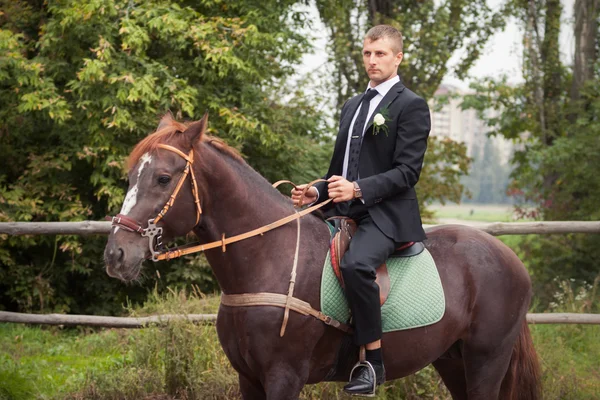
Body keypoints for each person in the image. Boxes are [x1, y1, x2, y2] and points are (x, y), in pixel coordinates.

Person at [291, 25, 431, 396]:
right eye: (368, 53)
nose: (372, 61)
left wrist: (358, 189)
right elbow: (338, 169)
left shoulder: (411, 105)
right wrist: (317, 190)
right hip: (341, 210)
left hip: (387, 214)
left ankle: (373, 362)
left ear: (398, 57)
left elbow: (407, 172)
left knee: (356, 266)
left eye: (381, 54)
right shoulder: (352, 105)